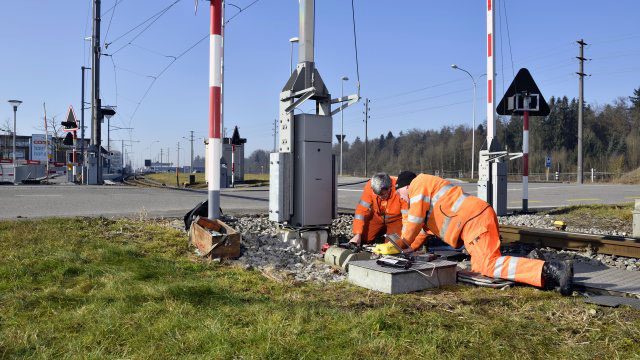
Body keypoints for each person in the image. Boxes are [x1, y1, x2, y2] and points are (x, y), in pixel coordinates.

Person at [394, 171, 573, 295]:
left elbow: (414, 221)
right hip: (474, 220)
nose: (401, 199)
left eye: (399, 193)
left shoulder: (418, 184)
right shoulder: (425, 195)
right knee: (480, 268)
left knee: (488, 265)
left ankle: (552, 268)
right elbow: (420, 233)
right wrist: (407, 249)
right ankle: (533, 262)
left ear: (406, 186)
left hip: (474, 220)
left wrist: (400, 243)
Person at [349, 173, 407, 246]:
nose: (381, 198)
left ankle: (387, 235)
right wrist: (357, 234)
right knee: (363, 239)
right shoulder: (370, 185)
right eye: (378, 195)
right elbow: (361, 211)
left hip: (395, 220)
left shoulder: (401, 187)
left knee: (393, 246)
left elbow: (406, 216)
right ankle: (380, 233)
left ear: (390, 188)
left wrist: (405, 235)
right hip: (377, 217)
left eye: (384, 195)